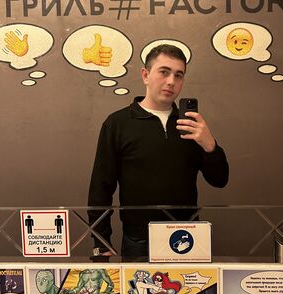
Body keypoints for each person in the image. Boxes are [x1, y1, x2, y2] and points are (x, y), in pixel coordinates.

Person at [88, 43, 229, 259]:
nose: (171, 81)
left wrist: (210, 145)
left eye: (178, 75)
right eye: (164, 72)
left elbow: (220, 180)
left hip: (187, 235)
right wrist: (101, 241)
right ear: (145, 75)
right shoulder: (118, 123)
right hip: (138, 240)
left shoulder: (192, 125)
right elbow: (101, 187)